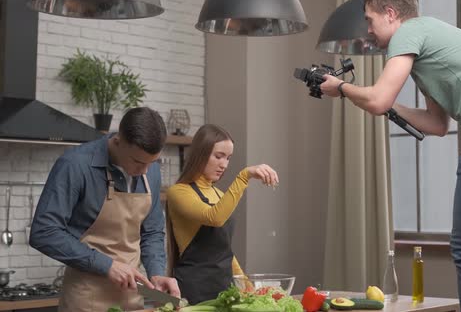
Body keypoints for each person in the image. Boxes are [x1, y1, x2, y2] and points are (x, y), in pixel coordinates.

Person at [319, 0, 461, 312]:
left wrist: (344, 88)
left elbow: (378, 99)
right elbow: (437, 124)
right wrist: (376, 100)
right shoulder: (430, 40)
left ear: (391, 14)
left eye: (369, 19)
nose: (367, 30)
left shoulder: (409, 33)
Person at [29, 107, 180, 312]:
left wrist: (156, 274)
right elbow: (44, 232)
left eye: (153, 162)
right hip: (86, 300)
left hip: (133, 299)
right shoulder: (75, 164)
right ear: (118, 141)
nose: (145, 170)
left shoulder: (149, 168)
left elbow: (152, 231)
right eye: (137, 162)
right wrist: (106, 265)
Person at [166, 124, 279, 304]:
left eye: (228, 158)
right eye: (218, 156)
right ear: (200, 154)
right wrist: (244, 176)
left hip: (225, 288)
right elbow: (215, 218)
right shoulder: (178, 192)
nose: (224, 165)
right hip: (194, 292)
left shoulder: (220, 195)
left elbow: (224, 250)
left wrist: (247, 286)